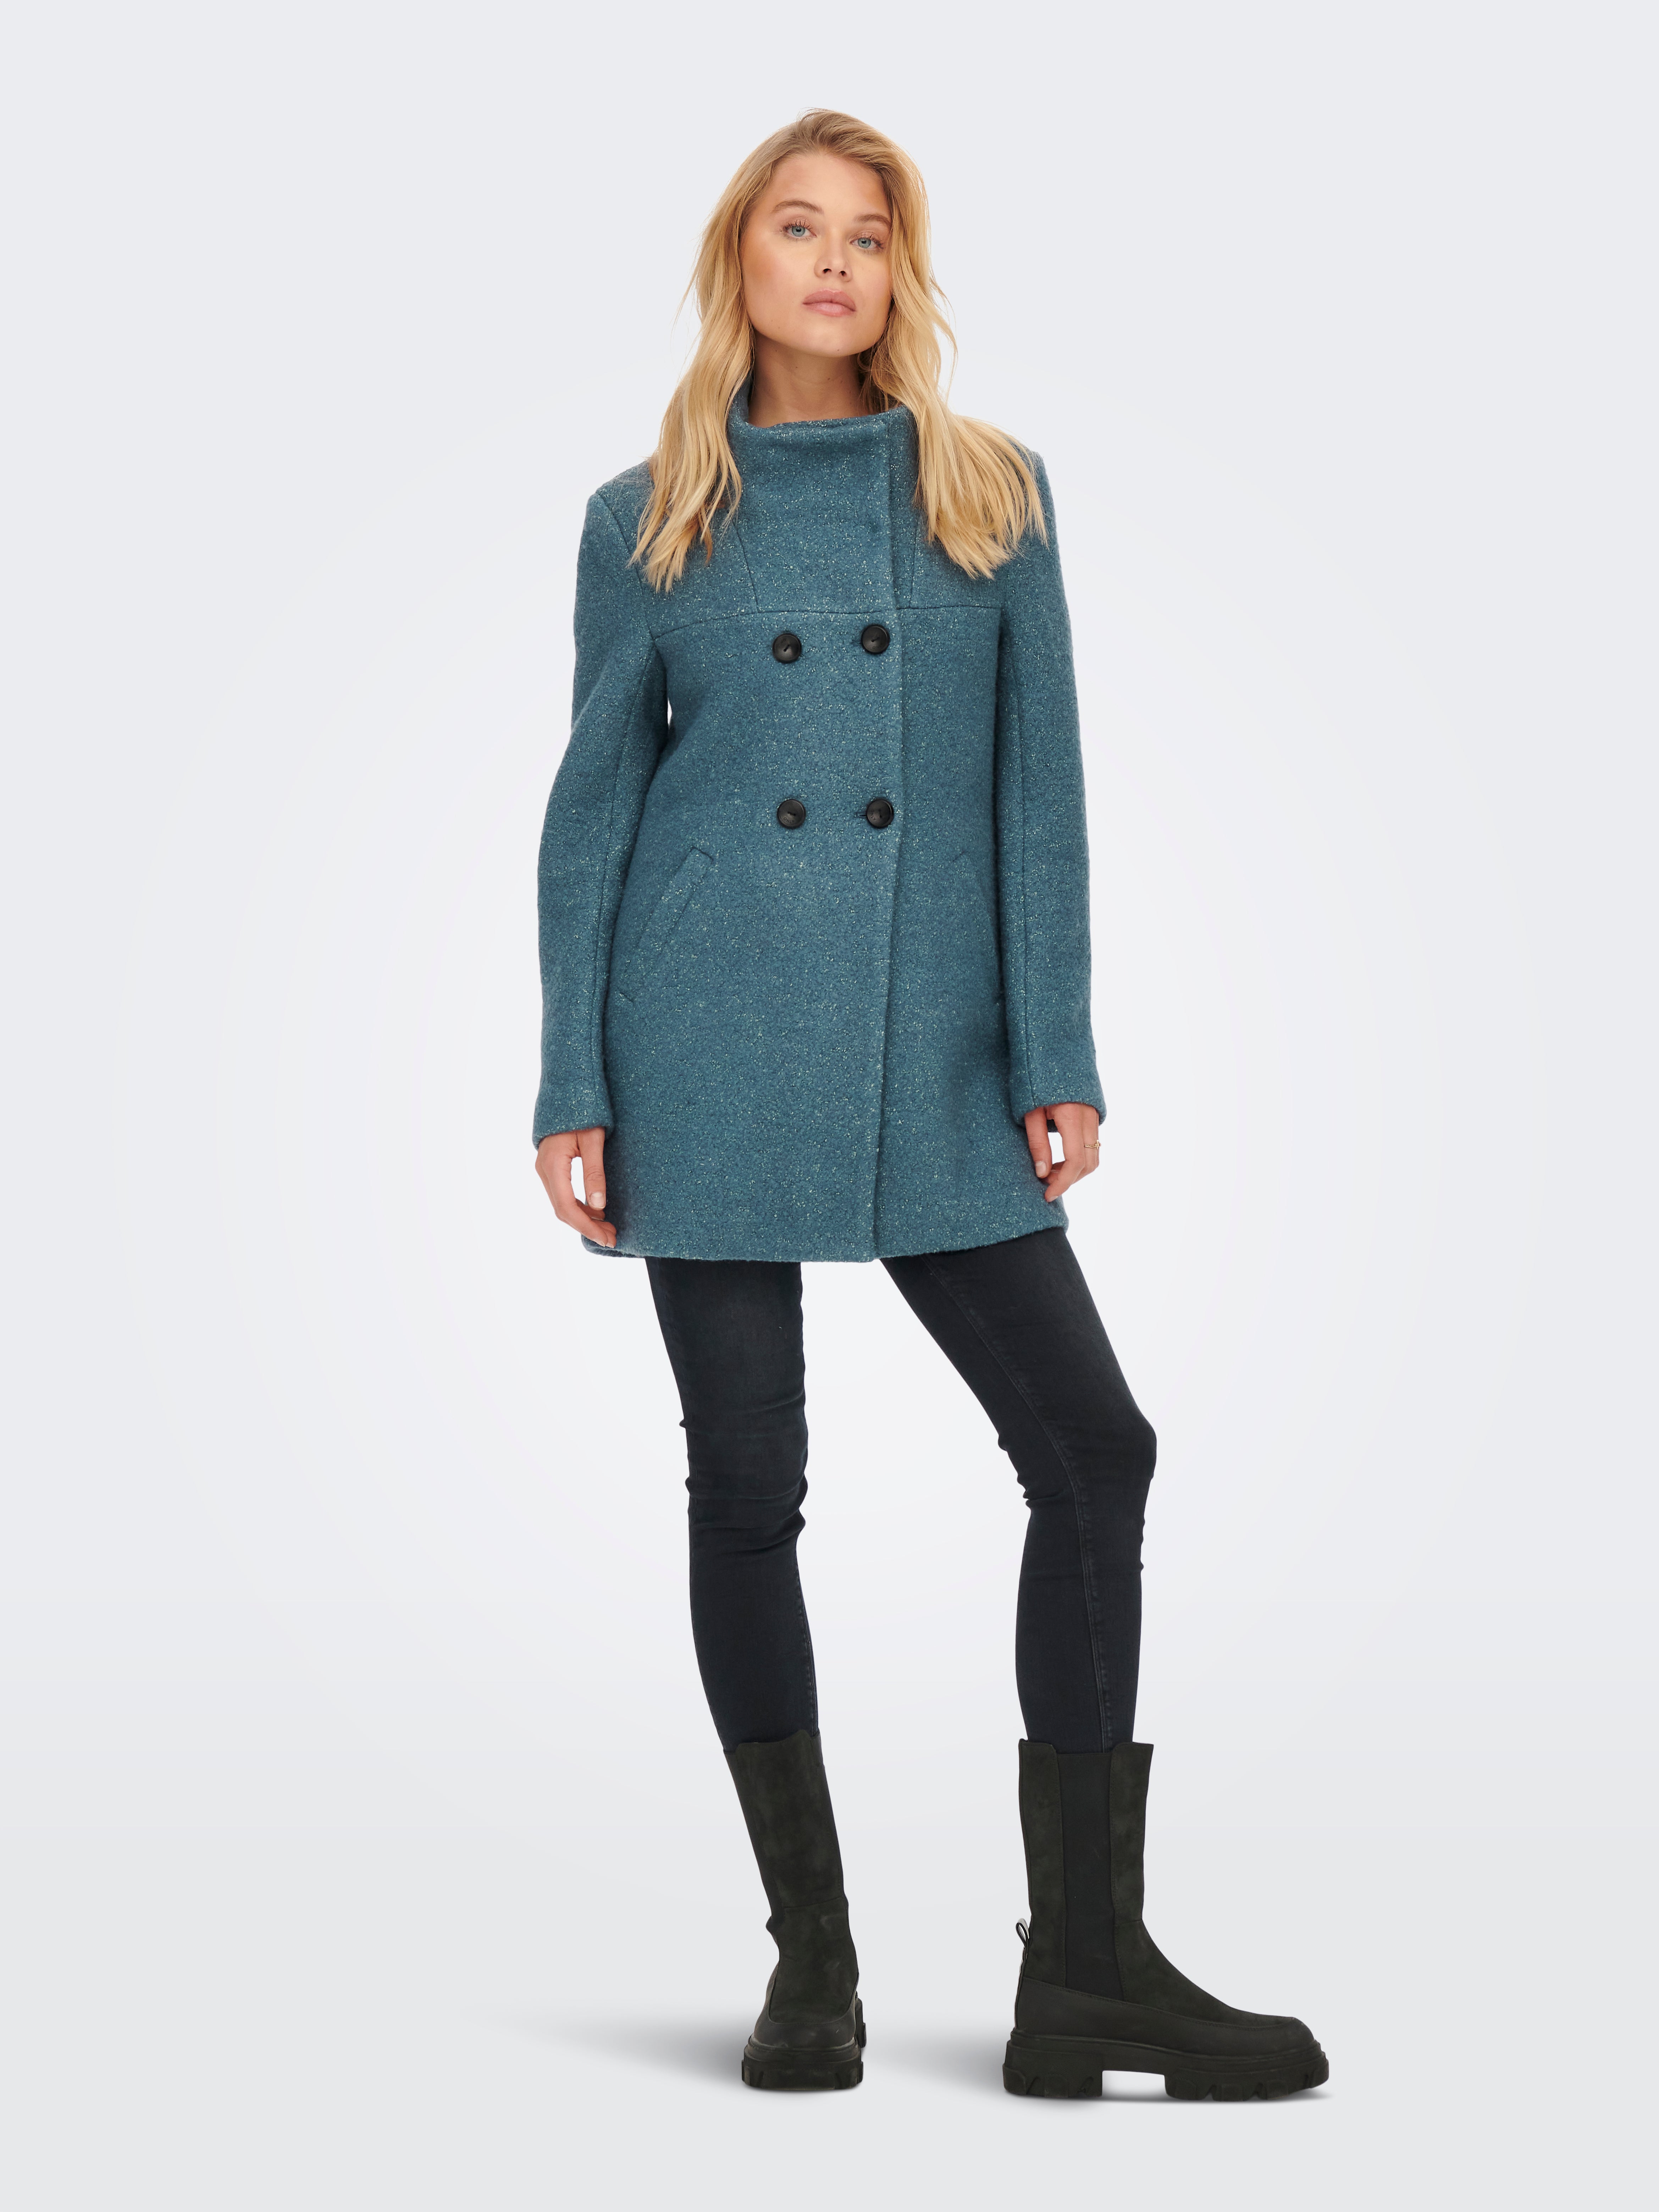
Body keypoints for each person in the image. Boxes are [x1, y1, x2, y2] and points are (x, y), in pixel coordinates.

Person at [533, 110, 1327, 2103]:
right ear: (738, 263)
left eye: (869, 235)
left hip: (937, 1047)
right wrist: (571, 1075)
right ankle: (812, 1964)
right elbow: (594, 808)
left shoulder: (989, 493)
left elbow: (1039, 792)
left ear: (901, 275)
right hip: (705, 1036)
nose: (834, 262)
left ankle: (1090, 1971)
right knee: (748, 1489)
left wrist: (1055, 1047)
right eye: (798, 228)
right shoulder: (648, 517)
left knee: (1094, 1450)